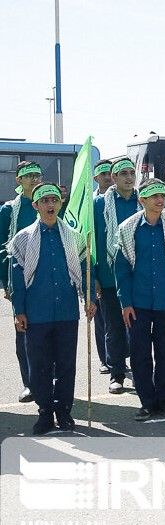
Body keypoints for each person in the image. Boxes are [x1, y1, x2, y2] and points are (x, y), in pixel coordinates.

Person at [8, 182, 97, 434]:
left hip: (67, 312)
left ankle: (64, 412)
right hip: (36, 314)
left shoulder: (74, 237)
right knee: (39, 366)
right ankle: (45, 412)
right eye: (45, 201)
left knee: (66, 365)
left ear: (60, 203)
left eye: (54, 200)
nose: (50, 204)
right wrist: (19, 311)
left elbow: (87, 270)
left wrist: (90, 298)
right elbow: (17, 279)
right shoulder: (23, 239)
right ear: (35, 205)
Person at [113, 179, 165, 421]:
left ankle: (163, 399)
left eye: (162, 195)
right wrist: (125, 302)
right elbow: (122, 270)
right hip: (139, 304)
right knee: (140, 354)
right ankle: (146, 402)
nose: (160, 200)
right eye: (154, 196)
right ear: (142, 200)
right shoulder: (128, 228)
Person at [95, 156, 141, 394]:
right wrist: (93, 276)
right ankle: (117, 374)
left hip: (139, 277)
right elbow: (92, 242)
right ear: (113, 177)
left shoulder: (143, 201)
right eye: (123, 173)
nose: (129, 177)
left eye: (132, 173)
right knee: (114, 328)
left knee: (139, 329)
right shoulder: (99, 204)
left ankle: (141, 372)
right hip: (109, 276)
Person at [1, 160, 42, 403]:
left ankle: (50, 381)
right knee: (24, 331)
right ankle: (30, 383)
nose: (34, 179)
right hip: (20, 280)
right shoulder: (9, 210)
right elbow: (2, 249)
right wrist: (6, 281)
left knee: (51, 333)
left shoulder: (49, 204)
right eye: (29, 176)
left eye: (37, 175)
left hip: (47, 279)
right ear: (19, 180)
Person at [91, 159, 112, 374]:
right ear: (95, 177)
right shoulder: (92, 204)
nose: (107, 177)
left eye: (109, 173)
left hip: (121, 273)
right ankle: (105, 359)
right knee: (101, 319)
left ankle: (118, 357)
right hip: (101, 271)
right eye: (103, 174)